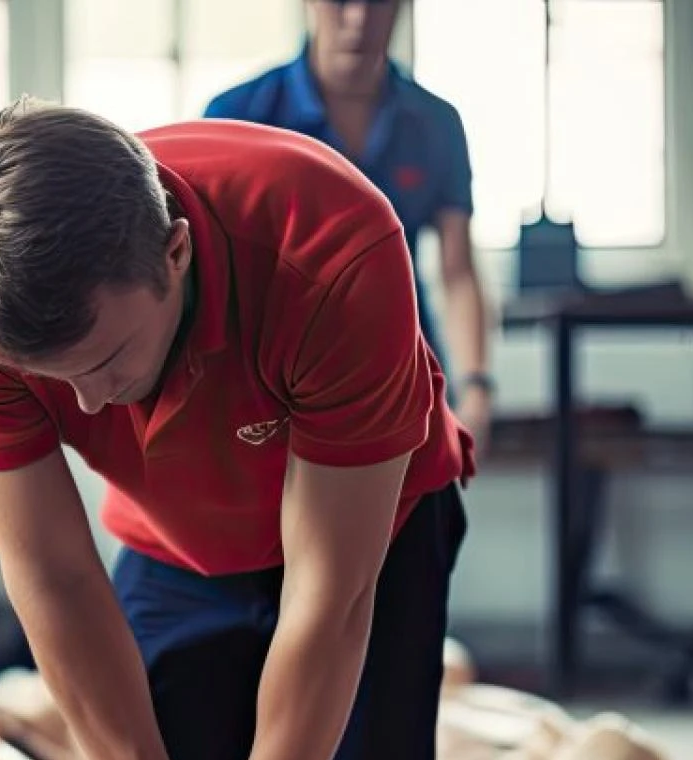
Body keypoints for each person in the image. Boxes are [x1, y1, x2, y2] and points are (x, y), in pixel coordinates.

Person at [0, 99, 477, 760]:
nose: (87, 406)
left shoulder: (330, 244)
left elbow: (328, 589)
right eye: (52, 380)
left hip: (370, 534)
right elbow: (51, 575)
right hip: (172, 541)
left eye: (105, 361)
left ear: (175, 252)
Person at [206, 0, 494, 450]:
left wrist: (475, 387)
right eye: (340, 1)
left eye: (377, 2)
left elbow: (457, 270)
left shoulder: (437, 123)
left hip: (404, 381)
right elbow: (209, 273)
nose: (358, 19)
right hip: (274, 391)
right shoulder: (239, 115)